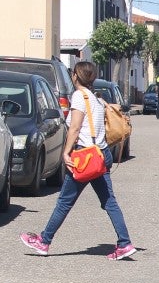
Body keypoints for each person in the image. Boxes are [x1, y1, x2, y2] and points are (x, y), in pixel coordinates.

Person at [20, 60, 136, 260]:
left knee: (64, 201)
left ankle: (44, 241)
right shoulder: (96, 99)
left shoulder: (79, 96)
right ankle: (124, 243)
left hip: (85, 156)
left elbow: (74, 128)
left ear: (76, 75)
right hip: (101, 154)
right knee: (109, 202)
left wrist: (66, 153)